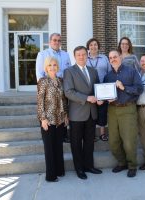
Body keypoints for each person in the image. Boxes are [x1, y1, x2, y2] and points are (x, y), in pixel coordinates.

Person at [63, 46, 103, 180]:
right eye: (78, 55)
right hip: (77, 114)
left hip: (91, 113)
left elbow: (97, 89)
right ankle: (79, 169)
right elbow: (68, 92)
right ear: (75, 57)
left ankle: (89, 166)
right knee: (76, 143)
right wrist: (86, 98)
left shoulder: (93, 71)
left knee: (89, 142)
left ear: (87, 55)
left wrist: (100, 98)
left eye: (84, 54)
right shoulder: (69, 71)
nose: (81, 57)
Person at [104, 50, 143, 178]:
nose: (113, 59)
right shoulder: (108, 76)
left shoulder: (131, 71)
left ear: (120, 57)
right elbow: (104, 93)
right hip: (112, 110)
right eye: (110, 58)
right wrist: (105, 98)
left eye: (115, 56)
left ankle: (132, 165)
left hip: (127, 109)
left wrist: (124, 88)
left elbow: (139, 89)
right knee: (113, 141)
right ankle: (122, 163)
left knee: (129, 141)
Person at [37, 56, 68, 182]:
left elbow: (64, 100)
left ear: (58, 67)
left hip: (60, 119)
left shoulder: (61, 81)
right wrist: (42, 118)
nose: (52, 67)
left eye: (54, 65)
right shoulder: (43, 81)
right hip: (48, 120)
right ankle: (50, 176)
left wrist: (66, 115)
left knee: (58, 146)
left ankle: (59, 170)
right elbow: (39, 102)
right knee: (49, 148)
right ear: (46, 67)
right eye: (50, 65)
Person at [36, 33, 71, 143]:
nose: (57, 42)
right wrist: (45, 87)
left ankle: (63, 133)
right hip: (48, 87)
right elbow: (39, 73)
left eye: (59, 40)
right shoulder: (43, 54)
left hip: (62, 86)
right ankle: (47, 130)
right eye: (54, 40)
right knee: (51, 108)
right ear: (50, 42)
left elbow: (68, 71)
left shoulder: (66, 55)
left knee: (62, 107)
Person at [86, 38, 112, 141]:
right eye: (91, 45)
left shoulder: (104, 58)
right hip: (90, 88)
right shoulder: (85, 59)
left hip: (103, 88)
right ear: (88, 47)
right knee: (91, 111)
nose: (93, 46)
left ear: (98, 46)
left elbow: (109, 72)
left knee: (102, 111)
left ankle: (102, 133)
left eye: (95, 44)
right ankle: (92, 134)